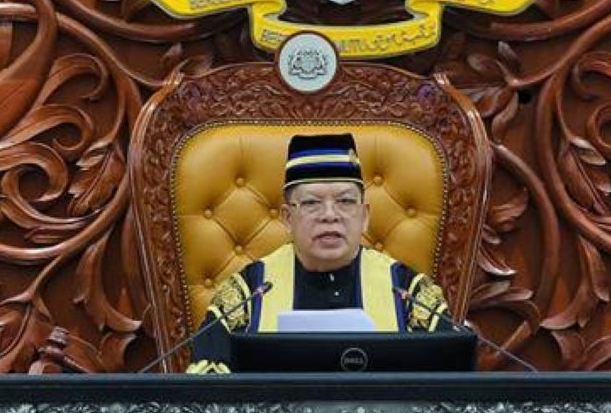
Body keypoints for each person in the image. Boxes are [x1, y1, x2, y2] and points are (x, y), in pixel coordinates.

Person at [187, 133, 451, 373]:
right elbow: (207, 389)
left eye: (346, 201)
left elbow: (452, 385)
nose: (330, 216)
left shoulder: (408, 293)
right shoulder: (247, 293)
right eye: (312, 203)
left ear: (365, 217)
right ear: (288, 218)